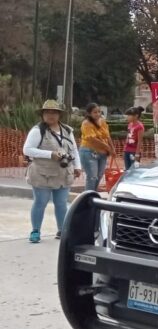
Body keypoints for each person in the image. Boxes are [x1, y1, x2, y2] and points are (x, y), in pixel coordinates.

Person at [22, 100, 82, 243]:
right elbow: (27, 150)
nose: (51, 115)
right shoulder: (38, 131)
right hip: (42, 173)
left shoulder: (67, 130)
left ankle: (63, 231)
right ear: (42, 114)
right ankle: (35, 231)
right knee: (40, 202)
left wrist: (77, 166)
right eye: (47, 112)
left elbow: (73, 150)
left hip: (63, 173)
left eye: (54, 112)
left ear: (59, 115)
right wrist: (50, 154)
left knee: (61, 203)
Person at [79, 102, 114, 192]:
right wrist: (107, 147)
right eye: (95, 112)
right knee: (92, 177)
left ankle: (93, 194)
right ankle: (88, 197)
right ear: (89, 113)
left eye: (99, 112)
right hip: (89, 152)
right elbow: (93, 140)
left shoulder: (102, 121)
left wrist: (112, 148)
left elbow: (107, 135)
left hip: (102, 153)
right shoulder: (86, 124)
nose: (98, 114)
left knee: (99, 175)